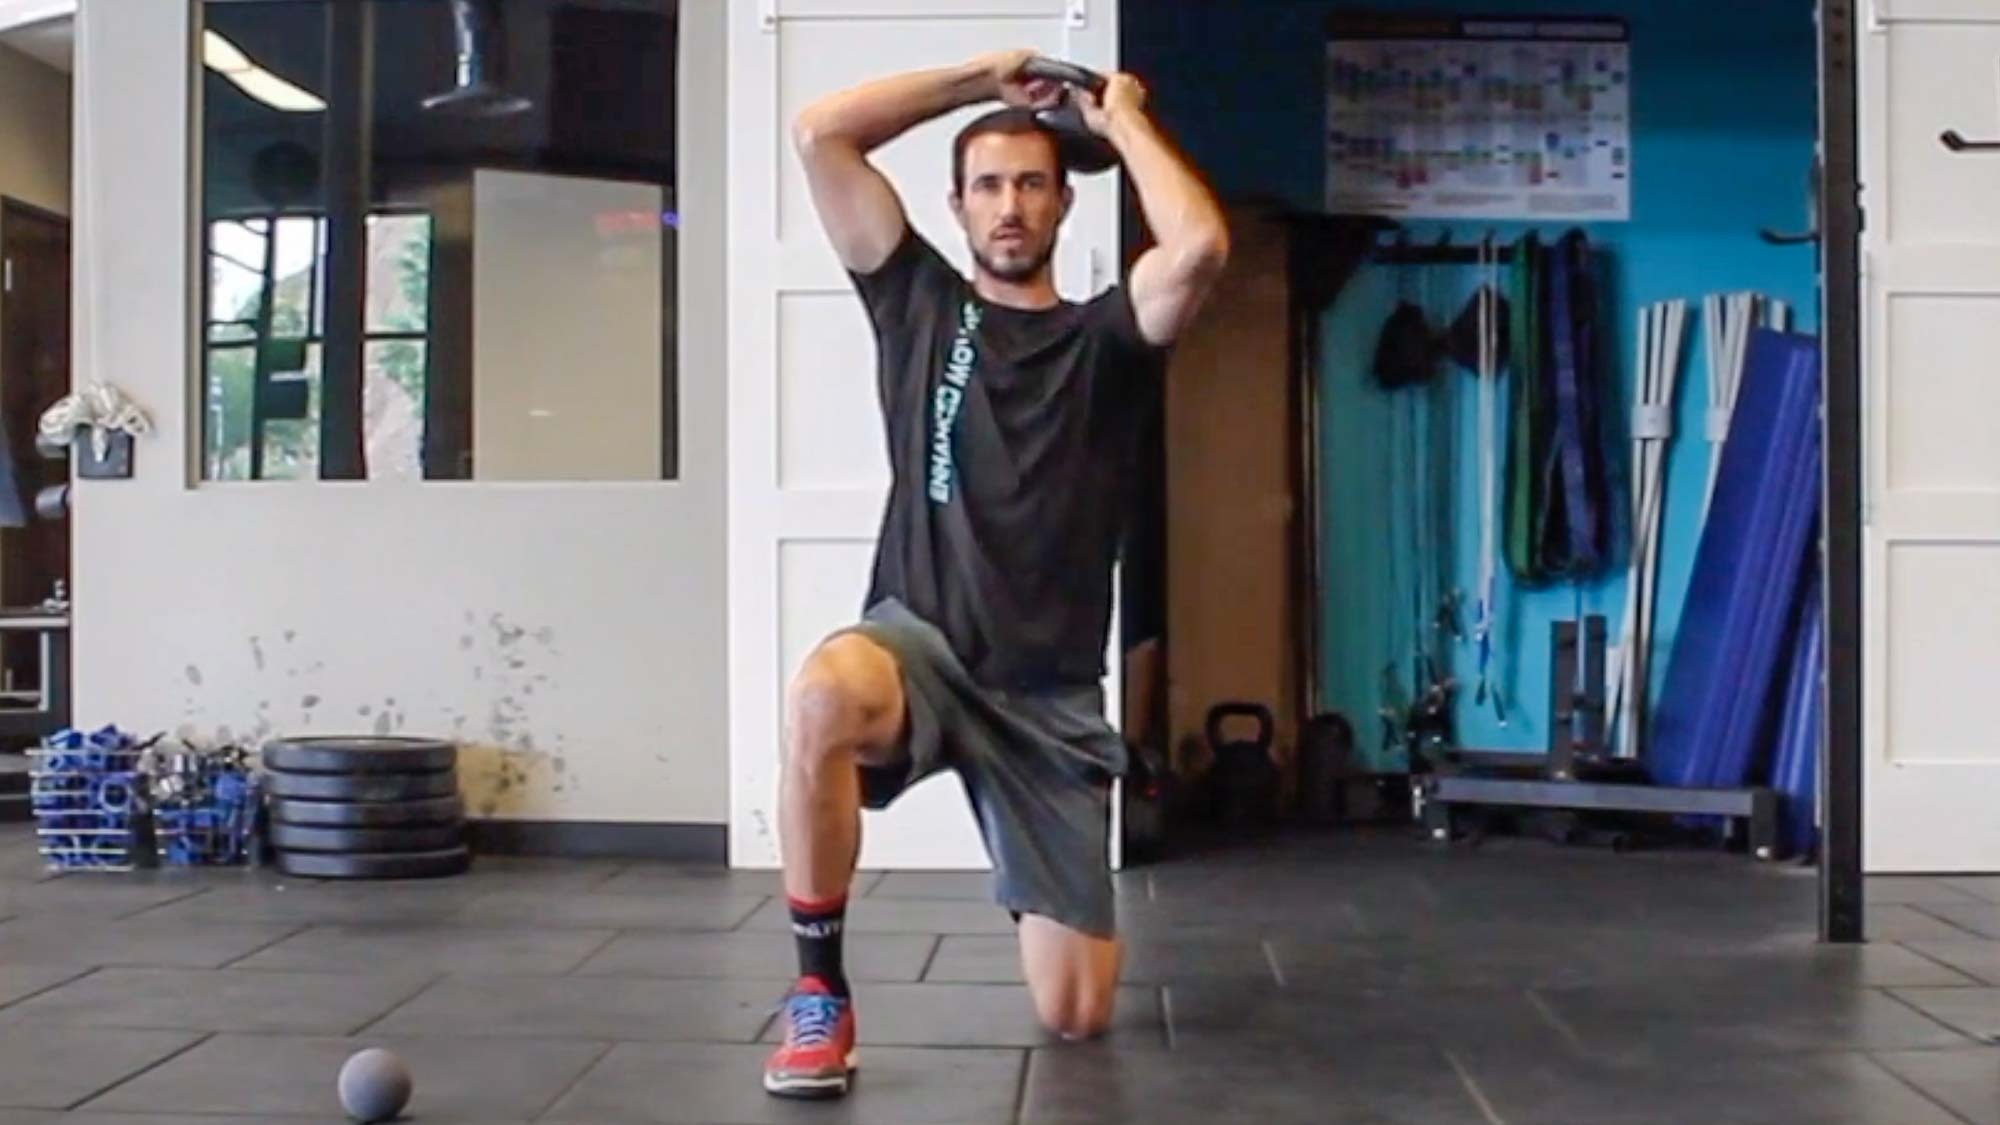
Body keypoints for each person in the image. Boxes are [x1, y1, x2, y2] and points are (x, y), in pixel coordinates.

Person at [765, 49, 1228, 1100]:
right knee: (821, 697)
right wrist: (985, 79)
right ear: (958, 205)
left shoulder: (1107, 339)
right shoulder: (917, 304)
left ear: (1064, 201)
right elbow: (820, 133)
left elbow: (1198, 245)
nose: (1008, 206)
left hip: (1047, 698)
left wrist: (1118, 122)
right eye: (986, 185)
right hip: (916, 649)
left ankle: (1028, 852)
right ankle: (817, 997)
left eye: (1029, 183)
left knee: (1073, 1016)